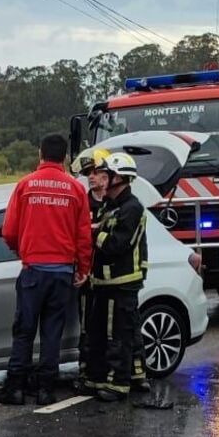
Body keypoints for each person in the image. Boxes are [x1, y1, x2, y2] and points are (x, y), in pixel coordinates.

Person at [0, 134, 92, 406]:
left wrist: (22, 250)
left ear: (40, 153)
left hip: (33, 272)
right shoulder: (75, 189)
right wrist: (82, 268)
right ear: (64, 157)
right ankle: (45, 390)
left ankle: (15, 388)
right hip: (62, 273)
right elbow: (83, 236)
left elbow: (9, 231)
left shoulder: (25, 186)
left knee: (24, 331)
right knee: (52, 333)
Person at [86, 152, 148, 402]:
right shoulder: (109, 206)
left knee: (119, 336)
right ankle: (110, 377)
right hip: (103, 283)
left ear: (119, 177)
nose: (101, 178)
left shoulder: (132, 208)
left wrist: (92, 235)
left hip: (123, 283)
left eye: (106, 174)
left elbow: (117, 245)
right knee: (104, 333)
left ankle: (118, 385)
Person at [70, 148, 111, 393]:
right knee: (87, 328)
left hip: (111, 278)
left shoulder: (114, 203)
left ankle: (110, 373)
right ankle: (86, 373)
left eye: (96, 172)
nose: (92, 177)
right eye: (88, 174)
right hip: (87, 276)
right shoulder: (81, 201)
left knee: (111, 329)